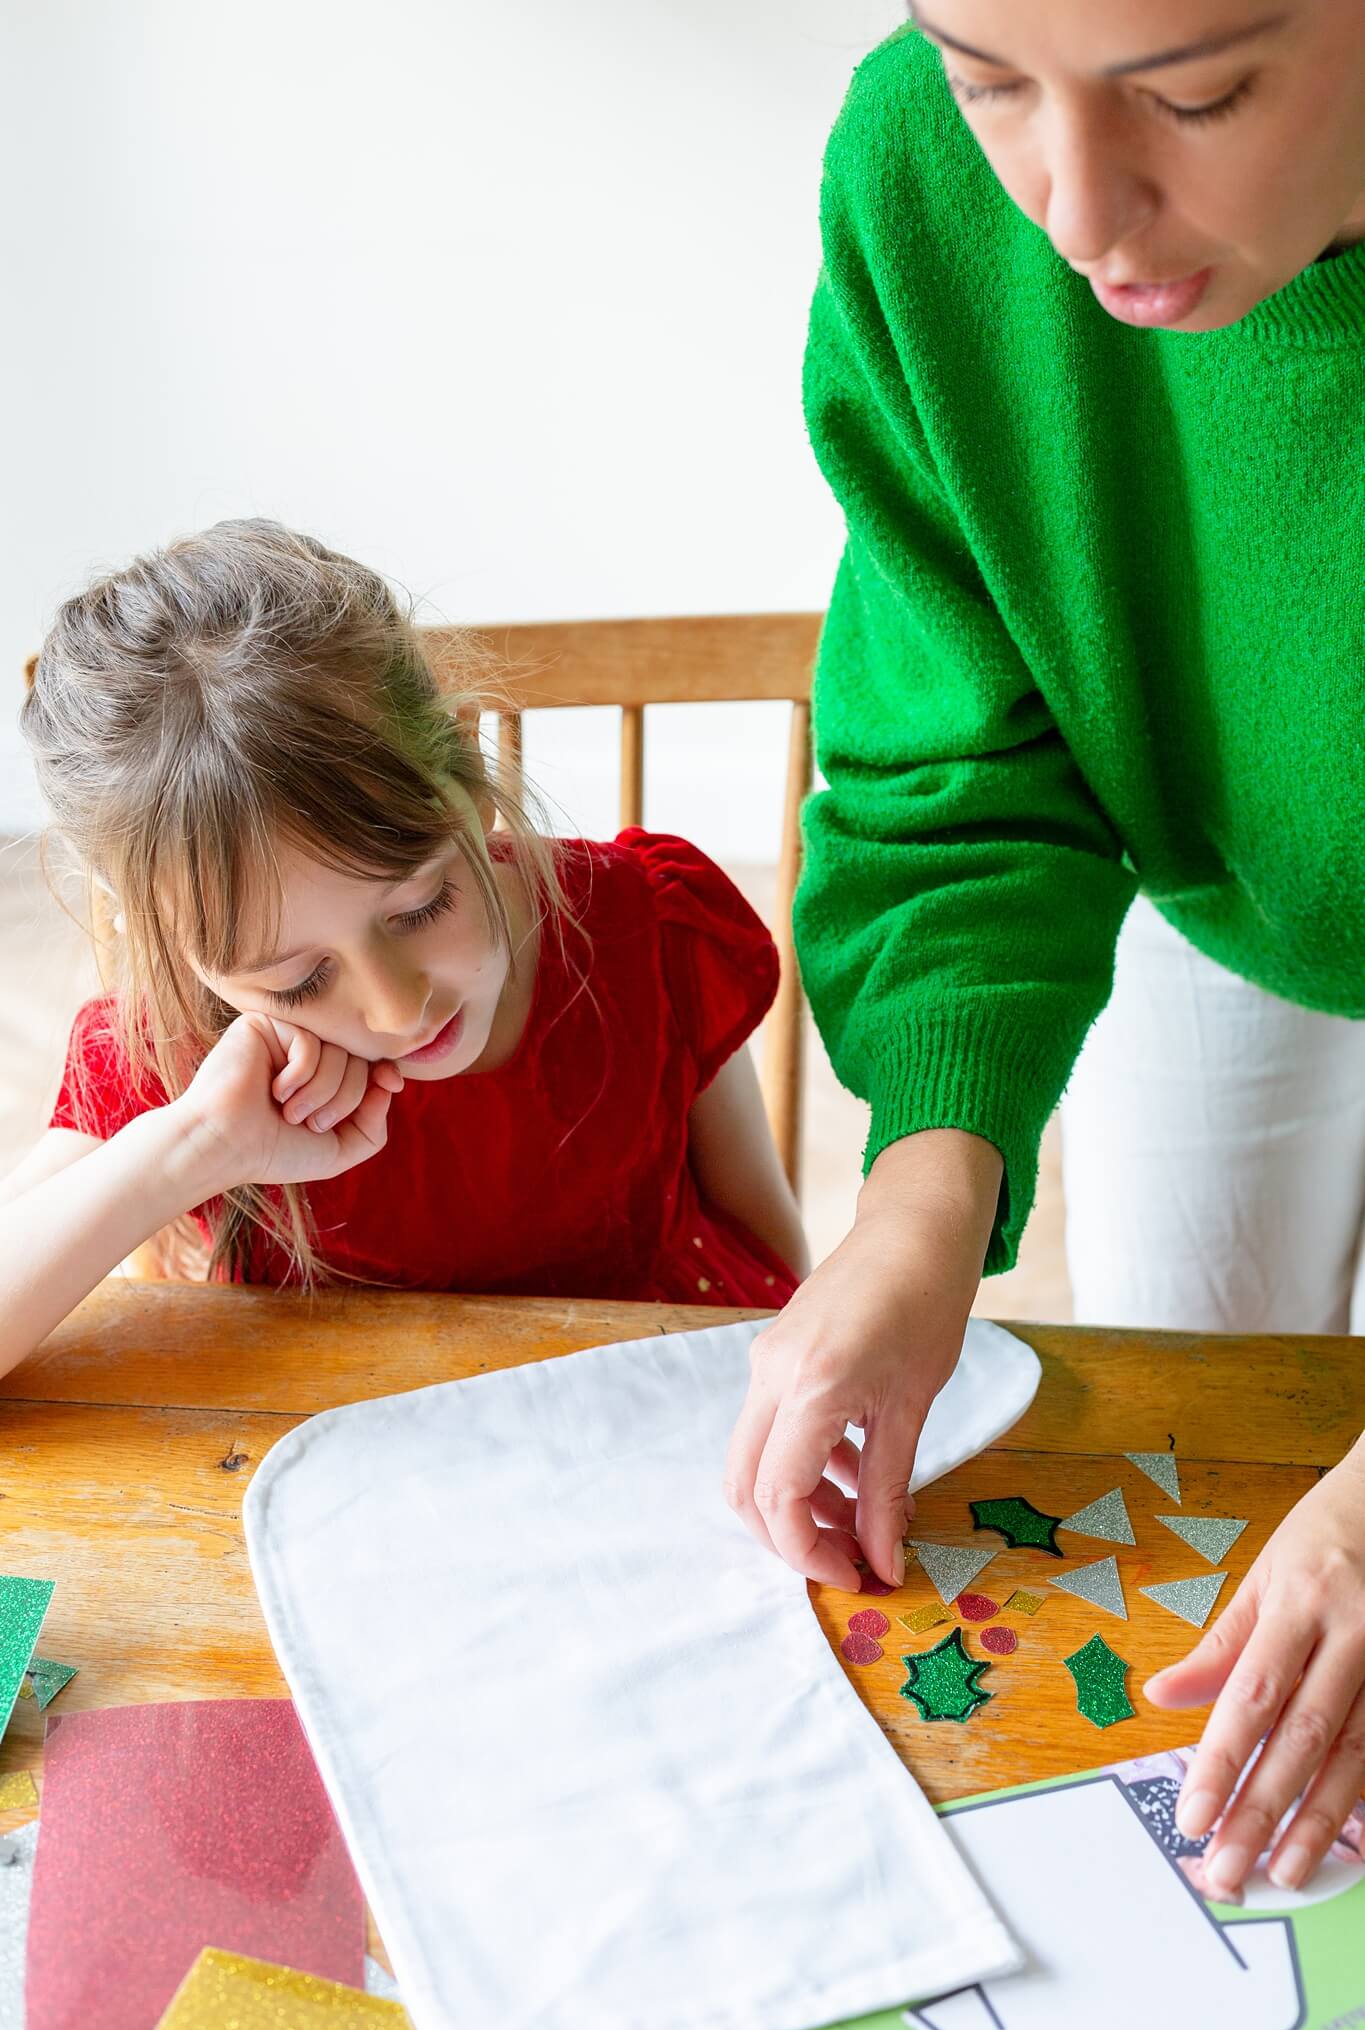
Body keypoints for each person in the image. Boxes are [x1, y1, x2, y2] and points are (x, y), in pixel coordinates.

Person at [724, 0, 1365, 1897]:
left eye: (1197, 91)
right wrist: (922, 1199)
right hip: (1223, 889)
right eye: (990, 76)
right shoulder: (919, 174)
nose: (1077, 212)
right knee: (1203, 1422)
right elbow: (963, 733)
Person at [2, 518, 807, 1375]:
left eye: (422, 907)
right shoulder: (174, 1054)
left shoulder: (647, 929)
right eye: (300, 978)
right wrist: (196, 1148)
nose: (399, 1007)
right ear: (167, 943)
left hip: (655, 1400)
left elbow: (776, 1264)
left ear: (465, 771)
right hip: (337, 1450)